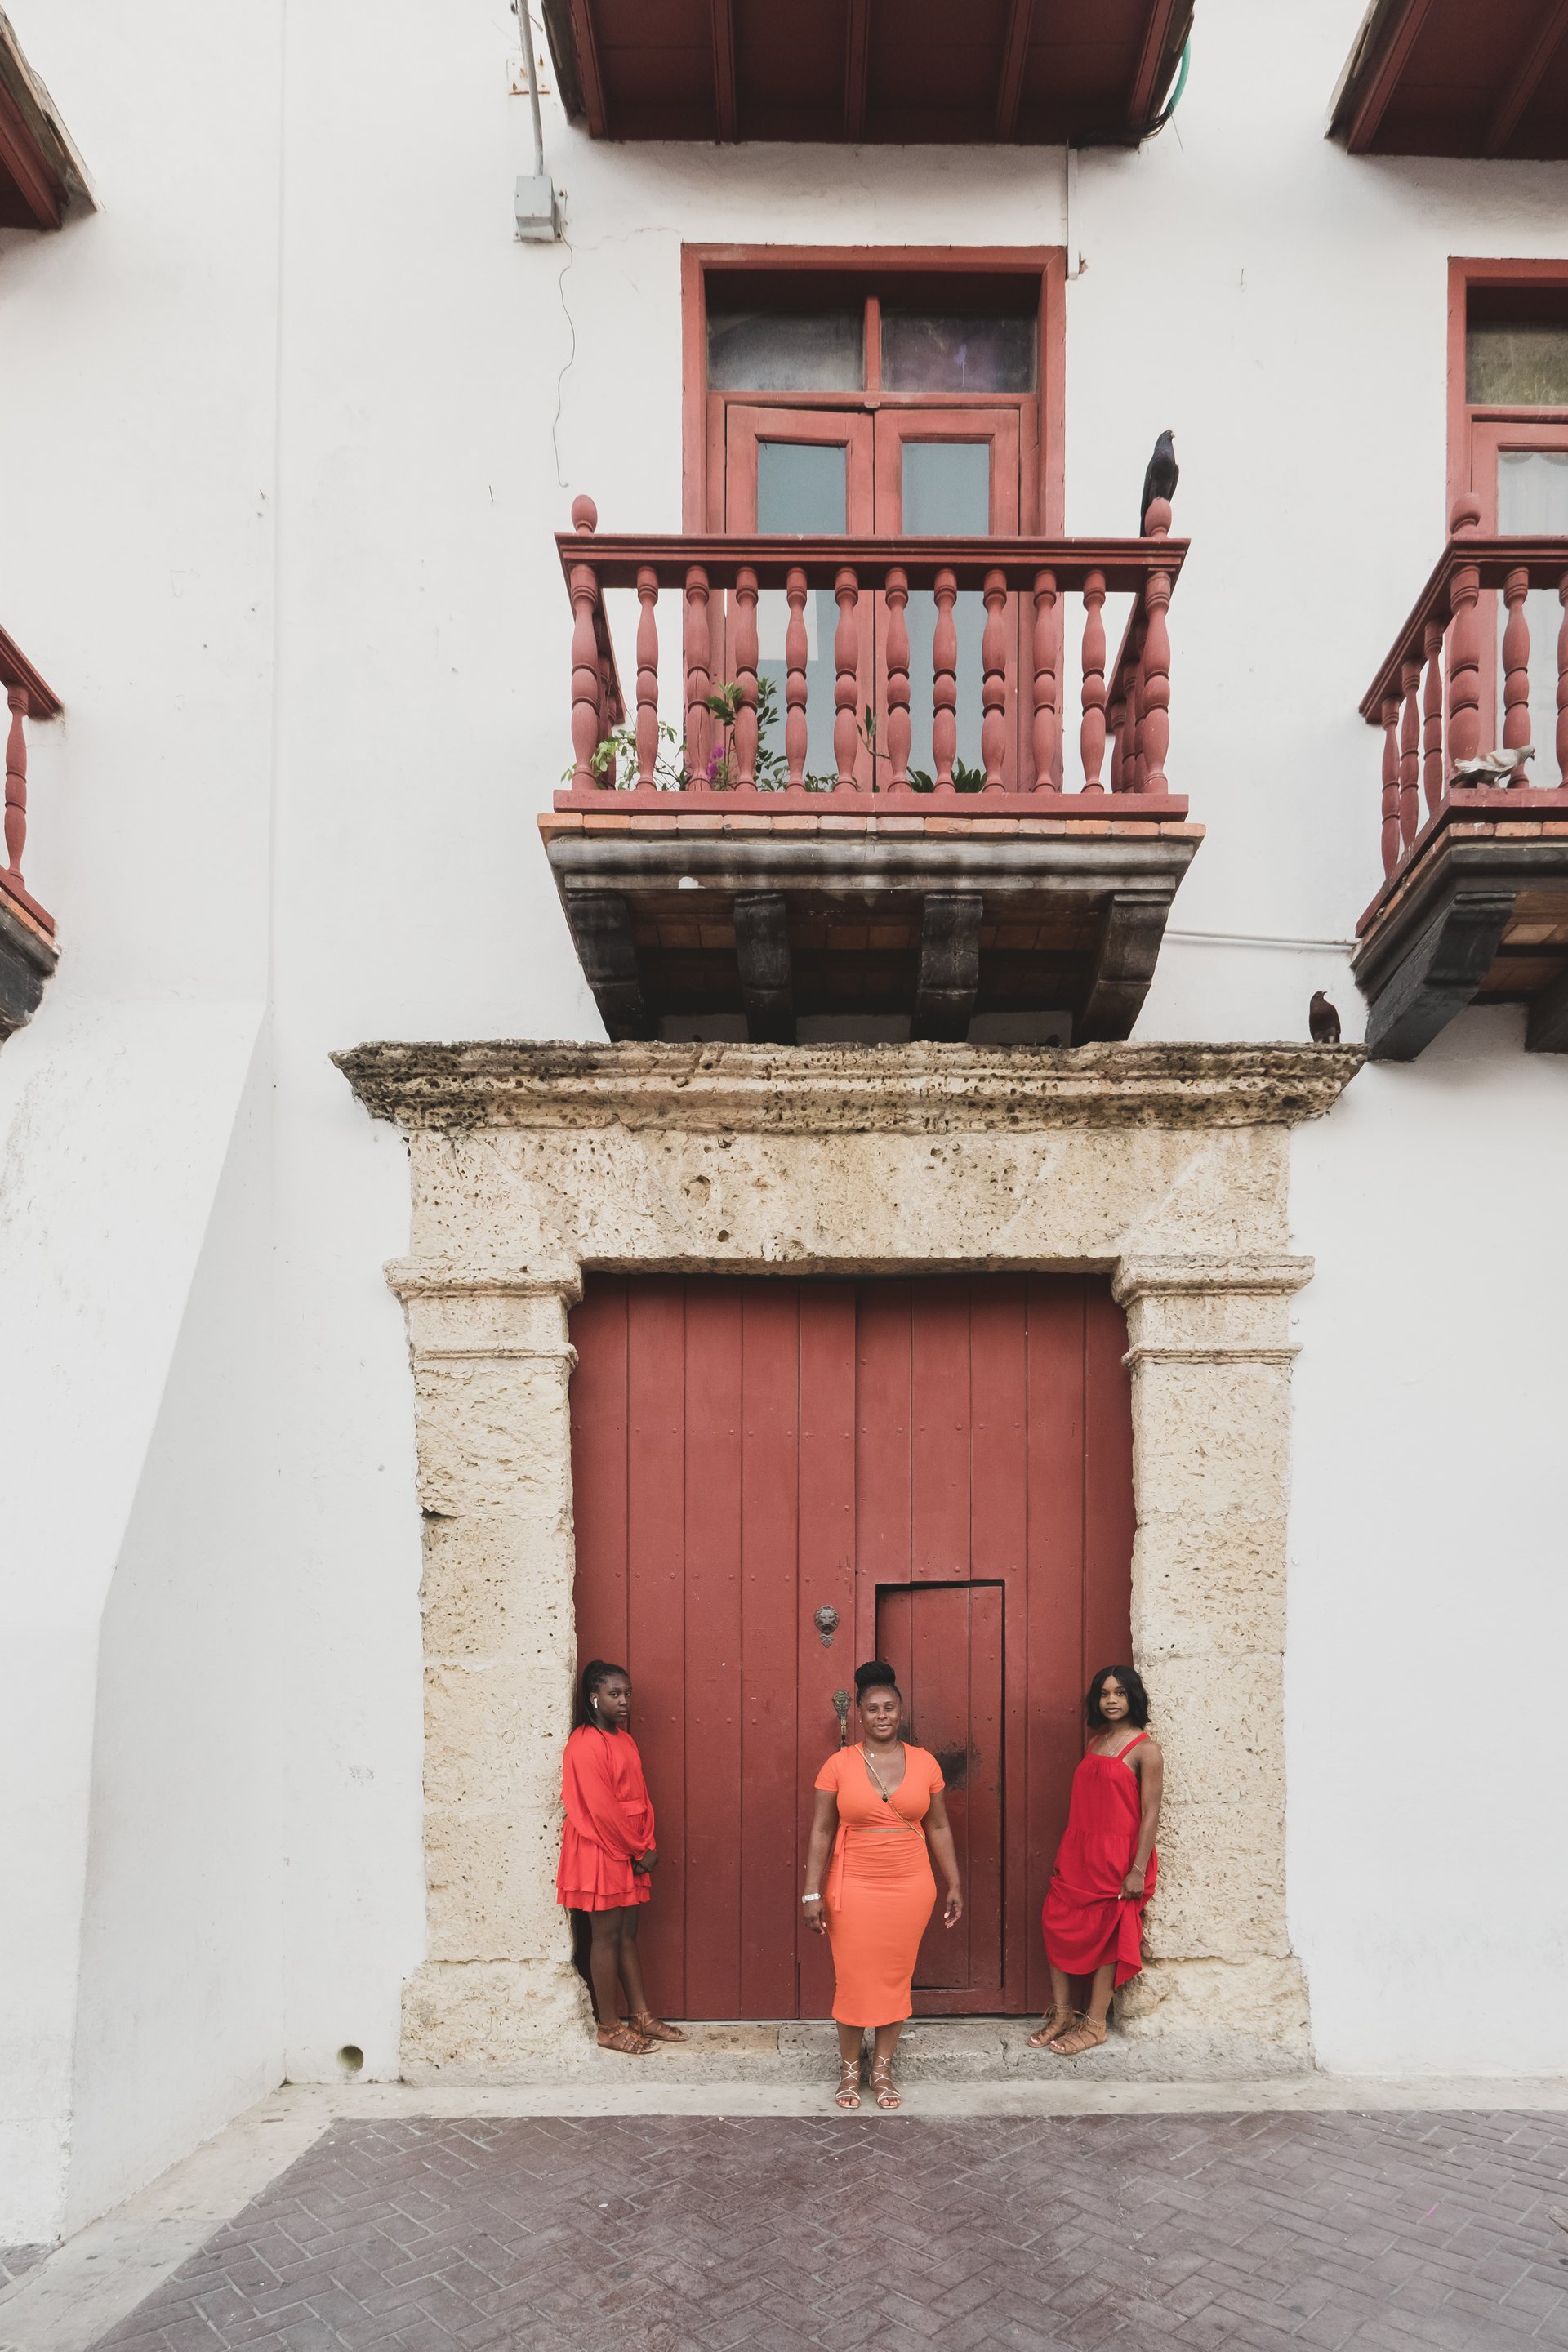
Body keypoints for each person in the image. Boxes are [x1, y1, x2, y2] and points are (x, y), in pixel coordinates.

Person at [802, 1659, 963, 2111]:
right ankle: (850, 2068)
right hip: (852, 1885)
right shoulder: (838, 1765)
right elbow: (820, 1831)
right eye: (872, 1708)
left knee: (895, 1977)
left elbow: (939, 1827)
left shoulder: (925, 1762)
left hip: (911, 1885)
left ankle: (883, 2067)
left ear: (901, 1710)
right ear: (859, 1714)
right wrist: (811, 1892)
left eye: (889, 1707)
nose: (882, 1715)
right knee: (852, 1977)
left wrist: (954, 1882)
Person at [1030, 1664, 1162, 2057]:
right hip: (1079, 1852)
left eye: (1119, 1693)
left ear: (1132, 1697)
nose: (1111, 1700)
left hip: (1118, 1859)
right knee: (1056, 1921)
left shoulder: (1145, 1749)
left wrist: (1137, 1868)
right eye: (1104, 1694)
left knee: (1108, 1938)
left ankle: (1095, 2025)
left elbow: (1151, 1813)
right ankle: (1064, 2014)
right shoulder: (1094, 1744)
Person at [557, 1659, 687, 2056]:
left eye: (628, 1693)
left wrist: (645, 1841)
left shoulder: (624, 1740)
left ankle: (642, 2016)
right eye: (614, 1694)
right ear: (594, 1698)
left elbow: (639, 1797)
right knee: (606, 1937)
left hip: (630, 1847)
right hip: (602, 1848)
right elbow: (601, 1809)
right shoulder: (585, 1743)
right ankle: (608, 2026)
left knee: (628, 1933)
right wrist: (638, 1850)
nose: (624, 1701)